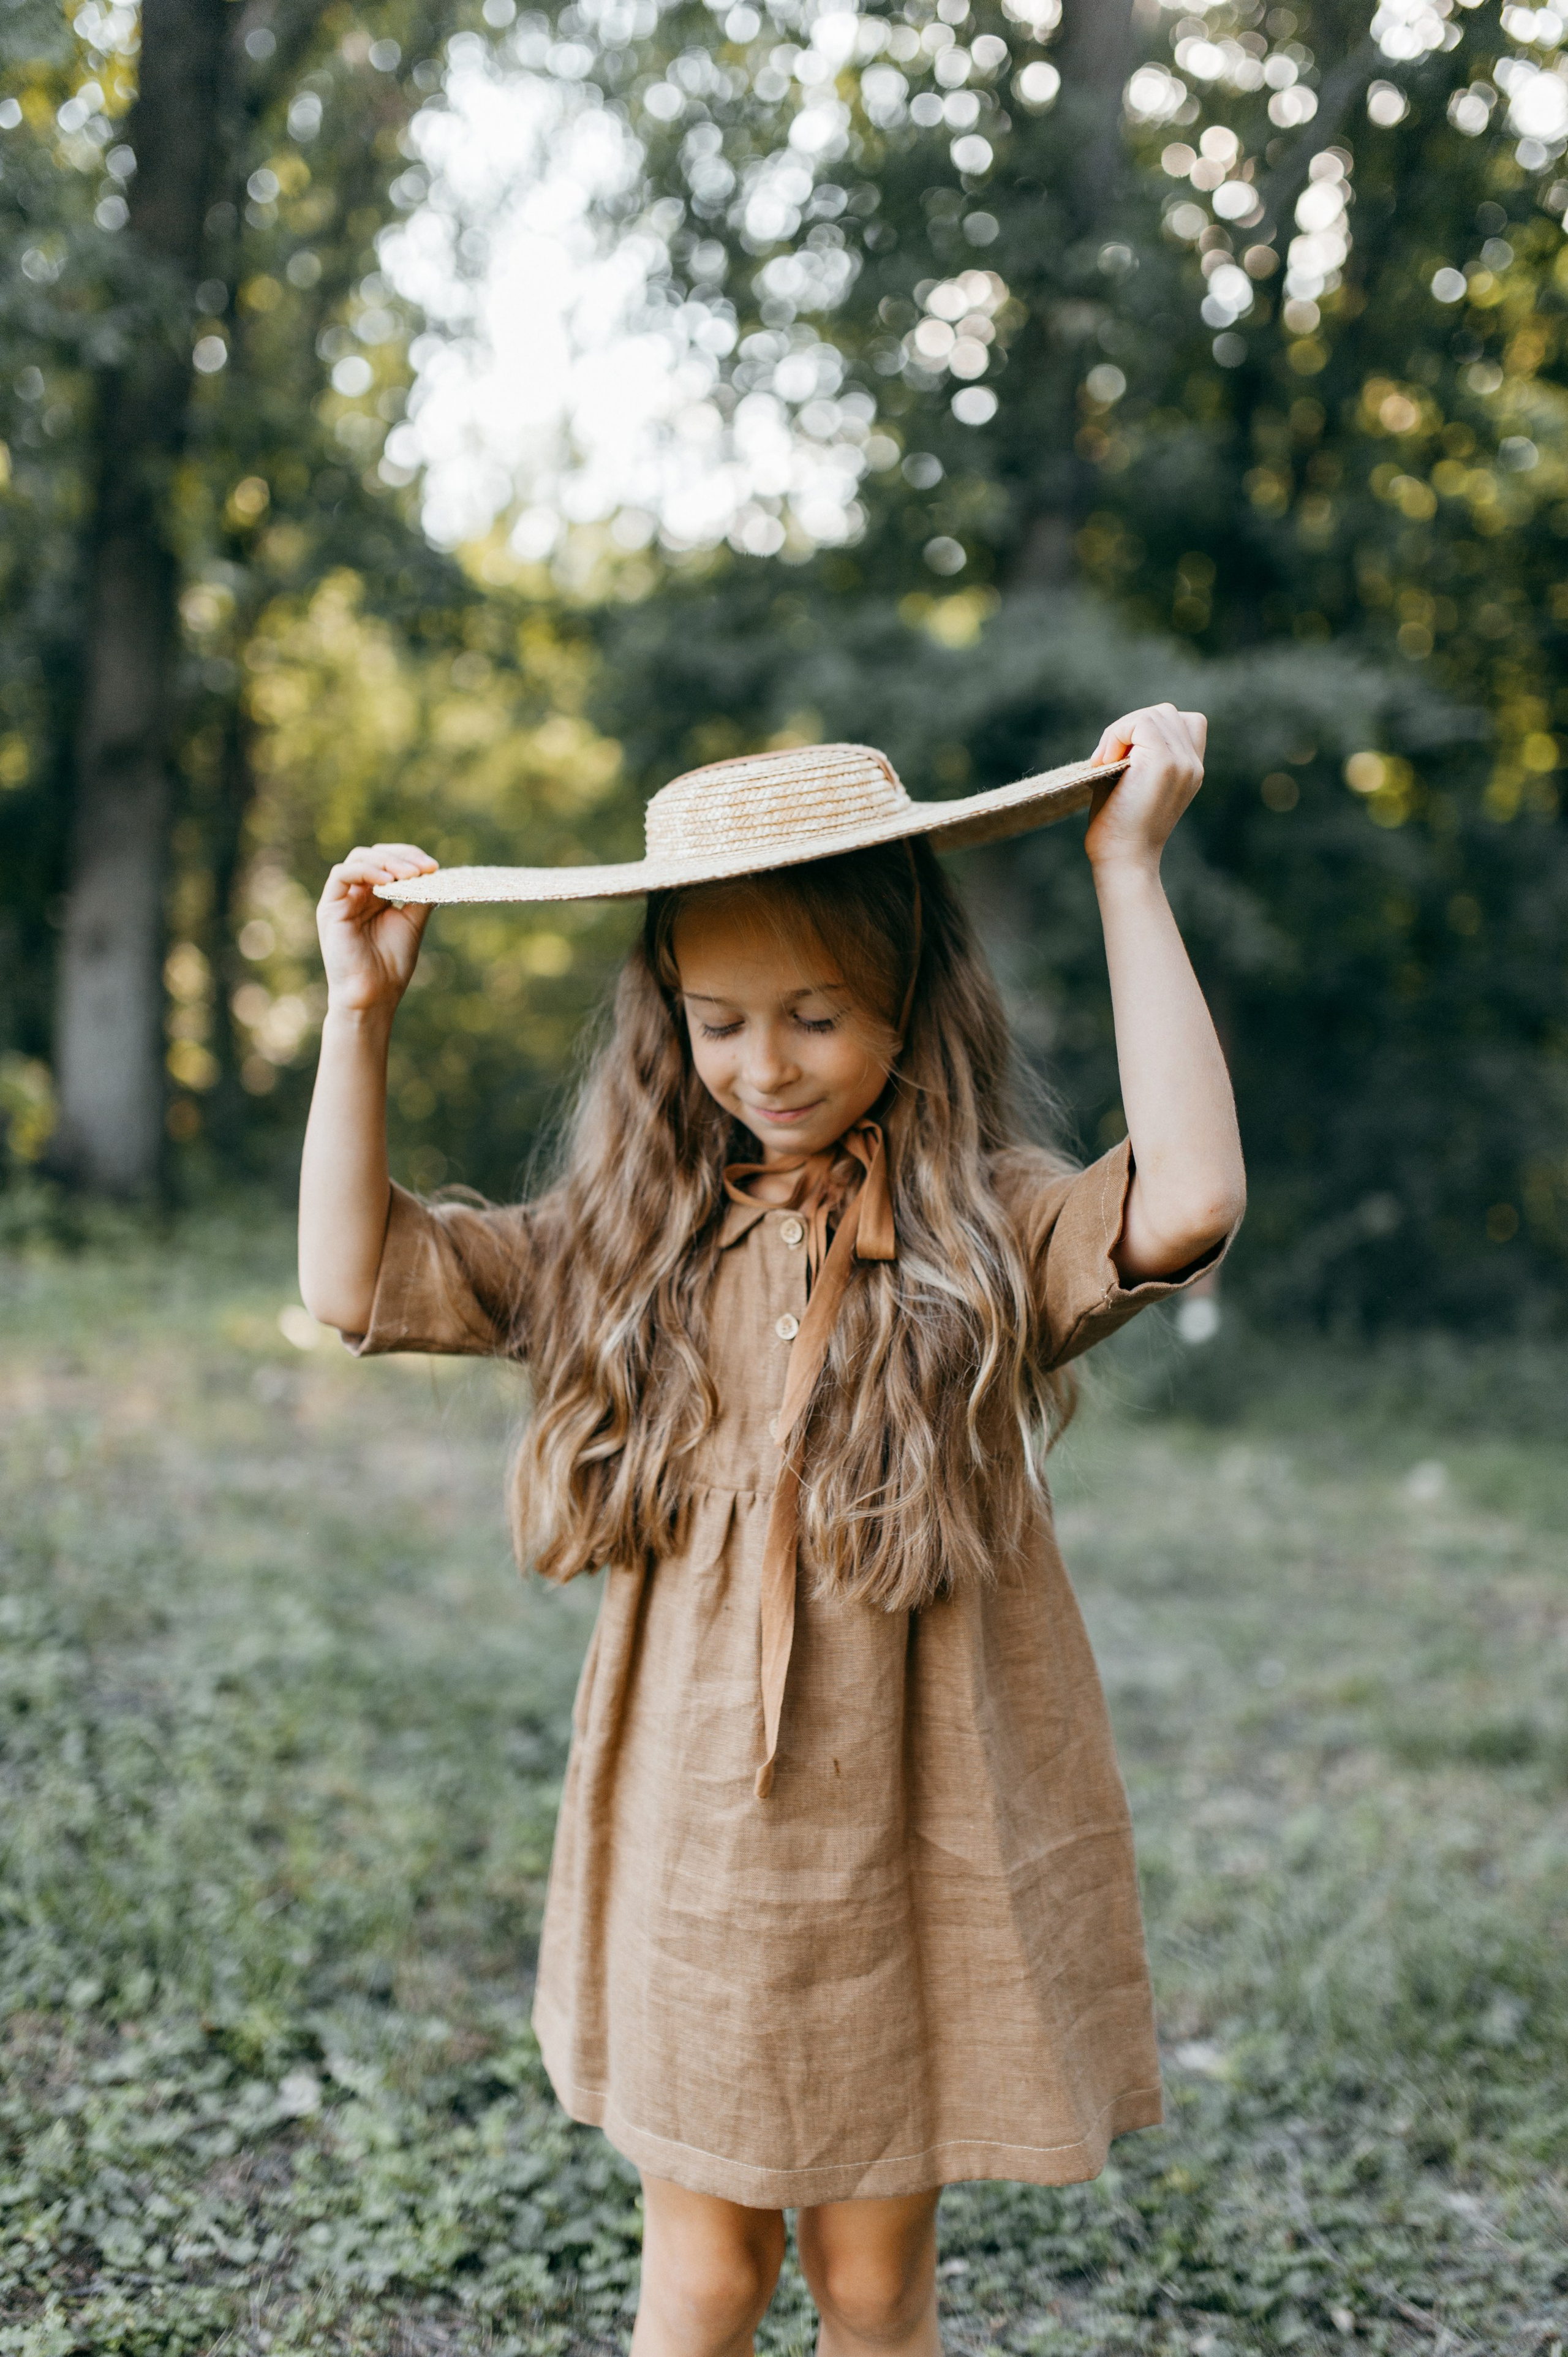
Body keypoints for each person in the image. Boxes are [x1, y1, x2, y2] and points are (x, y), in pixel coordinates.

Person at [298, 708, 1245, 2357]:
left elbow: (1187, 1201)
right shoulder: (630, 1238)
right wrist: (356, 1015)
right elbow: (352, 1282)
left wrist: (1128, 871)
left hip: (915, 1836)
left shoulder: (979, 1230)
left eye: (818, 1015)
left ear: (908, 1002)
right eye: (720, 1020)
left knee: (876, 2287)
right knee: (706, 2278)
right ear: (667, 1022)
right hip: (695, 1852)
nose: (769, 1066)